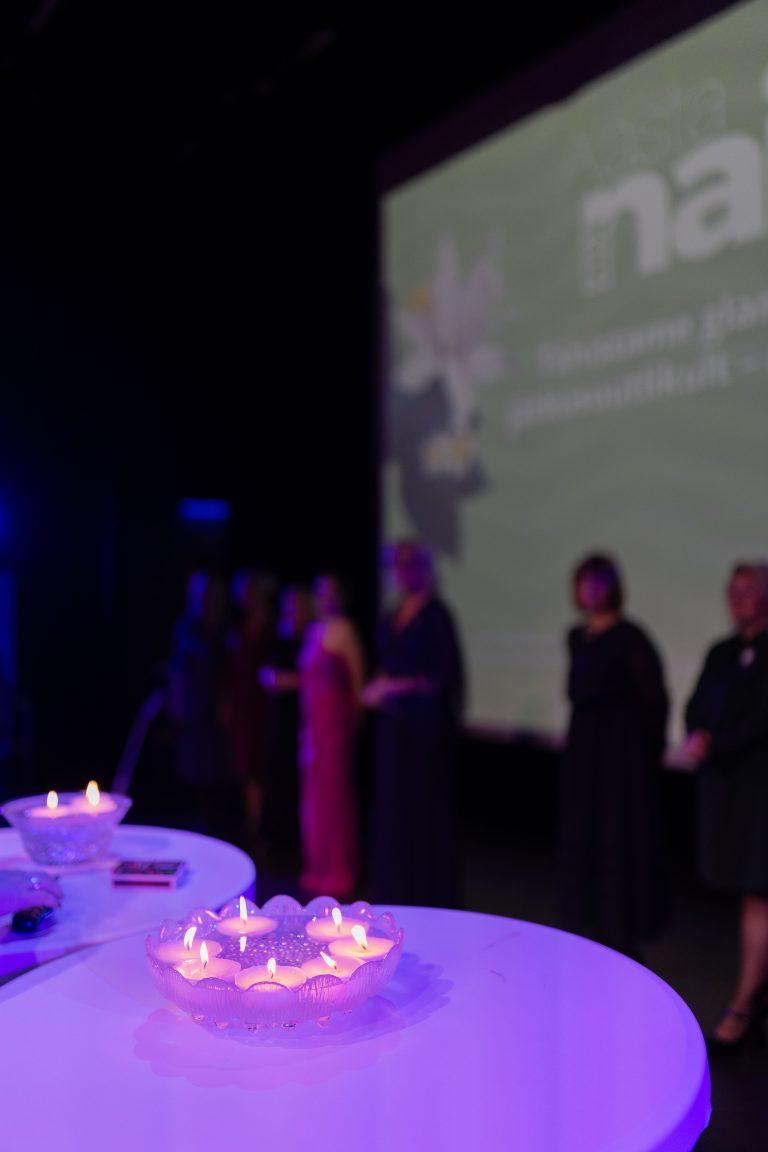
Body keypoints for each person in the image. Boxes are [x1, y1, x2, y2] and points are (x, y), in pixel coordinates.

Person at [560, 553, 668, 959]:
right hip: (584, 755)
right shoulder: (577, 636)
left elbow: (654, 699)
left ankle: (619, 935)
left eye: (598, 582)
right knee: (583, 835)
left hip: (619, 759)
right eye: (584, 582)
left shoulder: (630, 637)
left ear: (613, 588)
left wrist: (644, 756)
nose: (591, 591)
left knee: (616, 838)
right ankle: (586, 929)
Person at [683, 561, 768, 1050]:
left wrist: (718, 742)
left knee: (758, 892)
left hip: (759, 789)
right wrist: (698, 733)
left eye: (748, 589)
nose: (737, 598)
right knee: (749, 892)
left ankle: (743, 1005)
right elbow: (697, 705)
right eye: (732, 589)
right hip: (731, 791)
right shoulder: (723, 651)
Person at [364, 540, 464, 907]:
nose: (402, 571)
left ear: (424, 568)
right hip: (394, 732)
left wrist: (392, 687)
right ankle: (396, 894)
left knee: (422, 813)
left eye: (410, 564)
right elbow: (387, 661)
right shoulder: (393, 613)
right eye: (398, 565)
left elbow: (439, 677)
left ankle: (426, 896)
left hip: (424, 735)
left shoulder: (437, 615)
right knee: (394, 814)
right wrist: (375, 685)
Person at [295, 575, 363, 898]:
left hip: (336, 728)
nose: (326, 599)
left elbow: (356, 682)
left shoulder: (345, 631)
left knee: (334, 801)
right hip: (314, 727)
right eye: (321, 593)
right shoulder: (314, 631)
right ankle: (318, 867)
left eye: (332, 593)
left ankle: (339, 871)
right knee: (314, 802)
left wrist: (354, 725)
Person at [168, 571, 238, 842]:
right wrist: (177, 701)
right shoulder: (186, 627)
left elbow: (229, 670)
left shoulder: (221, 628)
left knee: (215, 766)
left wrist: (226, 702)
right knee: (192, 766)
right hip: (192, 707)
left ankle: (217, 825)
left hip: (213, 707)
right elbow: (178, 667)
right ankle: (197, 821)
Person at [258, 585, 315, 868]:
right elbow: (266, 673)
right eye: (290, 606)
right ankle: (275, 843)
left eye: (298, 606)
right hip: (279, 720)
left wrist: (290, 681)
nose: (294, 611)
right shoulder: (278, 635)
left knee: (297, 782)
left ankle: (297, 846)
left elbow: (312, 679)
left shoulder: (312, 636)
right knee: (277, 778)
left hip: (303, 719)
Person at [226, 569, 277, 831]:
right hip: (244, 703)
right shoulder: (236, 626)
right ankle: (253, 823)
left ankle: (264, 823)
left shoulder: (272, 623)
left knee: (264, 761)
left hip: (265, 702)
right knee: (246, 764)